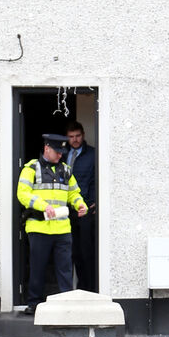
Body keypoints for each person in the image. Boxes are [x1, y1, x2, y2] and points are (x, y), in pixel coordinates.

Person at [16, 133, 88, 314]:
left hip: (62, 229)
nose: (60, 155)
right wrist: (43, 206)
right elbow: (22, 193)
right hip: (39, 227)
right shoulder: (31, 169)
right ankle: (34, 304)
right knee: (38, 268)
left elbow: (74, 193)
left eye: (62, 152)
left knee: (64, 269)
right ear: (46, 148)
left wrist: (80, 204)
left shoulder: (66, 170)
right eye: (57, 151)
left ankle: (67, 304)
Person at [65, 121, 98, 293]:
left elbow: (97, 179)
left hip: (86, 210)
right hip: (65, 210)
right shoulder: (62, 155)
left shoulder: (92, 154)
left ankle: (88, 289)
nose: (75, 140)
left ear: (83, 135)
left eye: (77, 136)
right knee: (71, 252)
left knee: (86, 252)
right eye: (71, 137)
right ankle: (73, 290)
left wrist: (94, 202)